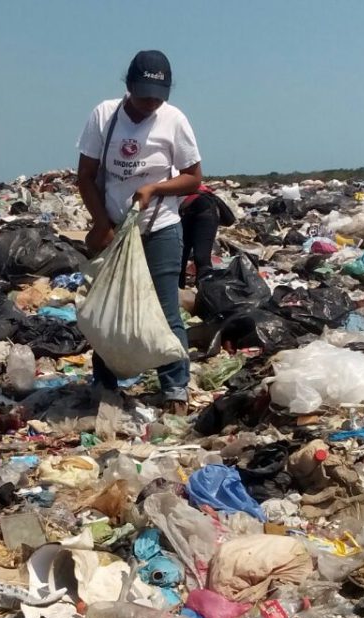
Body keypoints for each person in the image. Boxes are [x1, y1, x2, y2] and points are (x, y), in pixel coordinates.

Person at [76, 49, 202, 416]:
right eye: (144, 94)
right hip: (115, 228)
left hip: (160, 227)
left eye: (158, 96)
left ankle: (175, 389)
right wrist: (102, 223)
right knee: (108, 308)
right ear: (128, 85)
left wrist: (154, 190)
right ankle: (105, 385)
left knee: (166, 312)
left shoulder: (174, 120)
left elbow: (194, 178)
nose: (151, 103)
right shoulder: (105, 116)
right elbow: (85, 176)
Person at [178, 183, 235, 288]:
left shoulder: (176, 173)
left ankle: (204, 294)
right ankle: (177, 293)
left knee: (201, 257)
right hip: (185, 212)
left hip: (204, 209)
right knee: (179, 256)